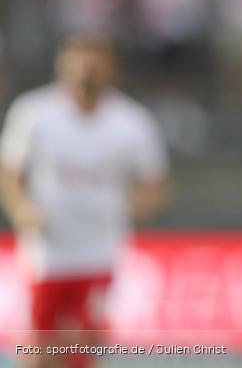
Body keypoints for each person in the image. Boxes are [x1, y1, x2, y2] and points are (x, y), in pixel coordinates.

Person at [0, 36, 169, 368]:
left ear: (112, 70)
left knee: (83, 344)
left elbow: (156, 183)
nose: (86, 72)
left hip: (100, 250)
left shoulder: (132, 122)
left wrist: (137, 205)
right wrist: (22, 208)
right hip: (47, 251)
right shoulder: (34, 113)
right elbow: (9, 171)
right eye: (78, 63)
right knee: (41, 343)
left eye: (95, 63)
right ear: (61, 66)